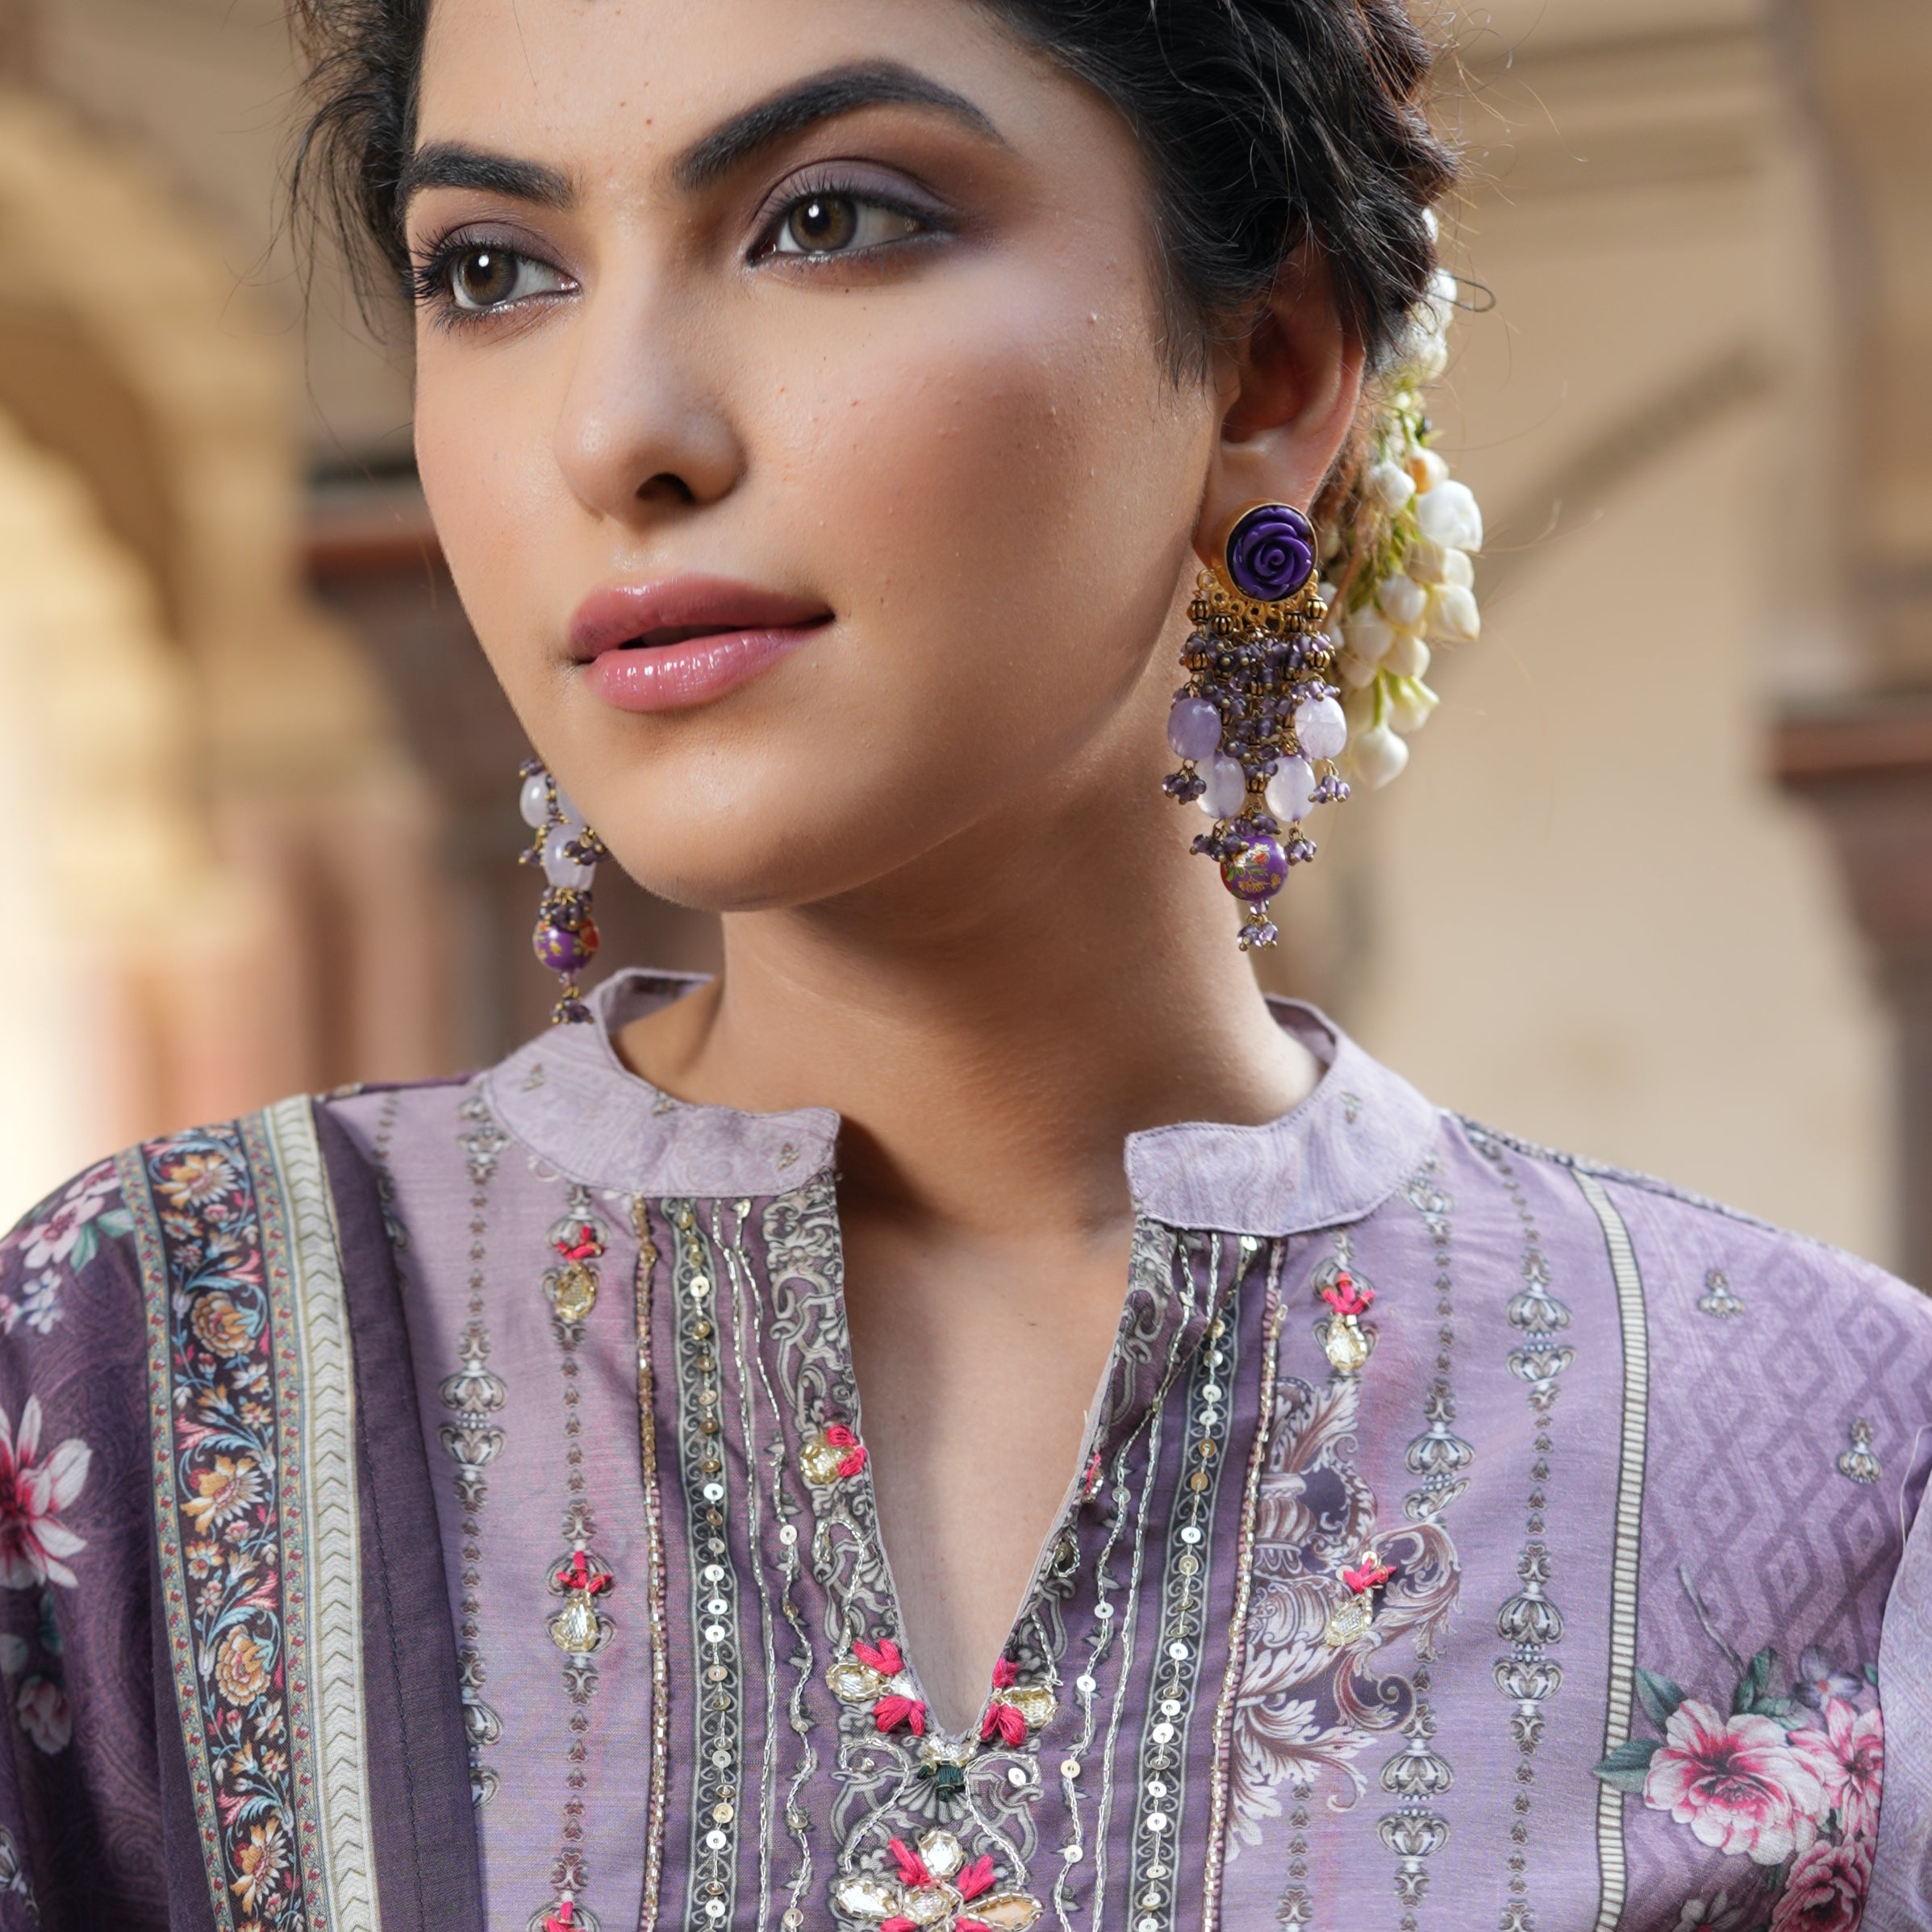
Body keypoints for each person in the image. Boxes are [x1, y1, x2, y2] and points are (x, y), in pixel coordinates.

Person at [0, 1, 1926, 1927]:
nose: (615, 433)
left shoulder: (1830, 1460)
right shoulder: (142, 1363)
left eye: (828, 222)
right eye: (494, 272)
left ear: (1269, 365)